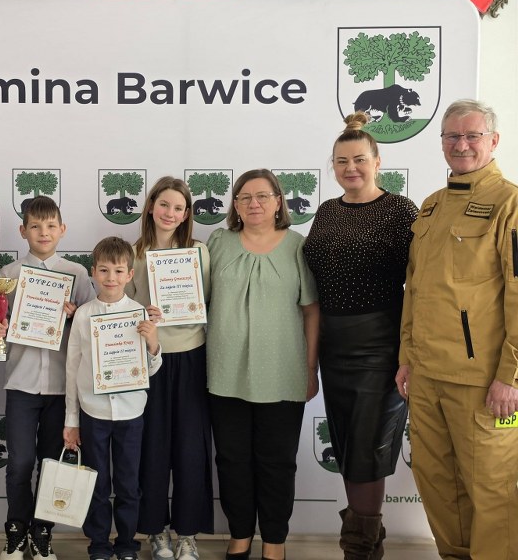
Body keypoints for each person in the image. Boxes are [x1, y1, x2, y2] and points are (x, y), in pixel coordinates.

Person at [396, 99, 518, 560]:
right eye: (451, 136)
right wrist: (407, 358)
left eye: (471, 135)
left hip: (483, 381)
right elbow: (415, 290)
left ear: (494, 141)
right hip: (427, 376)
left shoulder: (510, 204)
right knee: (438, 485)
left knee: (492, 489)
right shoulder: (431, 207)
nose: (461, 144)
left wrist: (512, 376)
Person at [303, 112, 417, 559]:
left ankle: (359, 549)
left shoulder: (401, 210)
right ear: (332, 166)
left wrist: (409, 353)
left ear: (377, 161)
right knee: (350, 450)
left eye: (359, 159)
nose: (350, 168)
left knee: (368, 451)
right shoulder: (327, 211)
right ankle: (366, 547)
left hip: (380, 348)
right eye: (341, 161)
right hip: (334, 348)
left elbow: (422, 283)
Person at [206, 169, 319, 560]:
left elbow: (311, 310)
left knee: (277, 463)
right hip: (225, 371)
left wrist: (310, 368)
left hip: (283, 371)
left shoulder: (298, 246)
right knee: (231, 460)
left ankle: (274, 541)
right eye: (245, 197)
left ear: (278, 202)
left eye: (263, 196)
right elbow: (193, 297)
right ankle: (239, 535)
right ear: (236, 205)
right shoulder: (217, 243)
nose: (254, 203)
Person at [0, 195, 96, 560]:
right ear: (23, 231)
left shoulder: (77, 274)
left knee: (51, 464)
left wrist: (76, 315)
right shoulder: (8, 275)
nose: (43, 232)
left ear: (62, 229)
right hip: (21, 383)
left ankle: (42, 532)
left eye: (51, 226)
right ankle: (16, 531)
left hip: (62, 388)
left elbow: (92, 328)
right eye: (35, 226)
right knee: (19, 463)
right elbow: (1, 321)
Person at [124, 177, 213, 560]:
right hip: (150, 360)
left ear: (187, 214)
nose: (169, 213)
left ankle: (187, 534)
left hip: (192, 355)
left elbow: (208, 300)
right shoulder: (133, 254)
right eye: (164, 204)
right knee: (153, 448)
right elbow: (123, 308)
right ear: (150, 207)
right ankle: (155, 530)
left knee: (191, 449)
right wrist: (143, 318)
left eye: (178, 207)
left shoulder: (199, 252)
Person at [63, 236, 162, 560]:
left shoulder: (140, 314)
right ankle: (99, 545)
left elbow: (151, 368)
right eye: (104, 270)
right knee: (97, 483)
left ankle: (127, 543)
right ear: (93, 272)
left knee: (128, 483)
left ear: (129, 274)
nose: (111, 278)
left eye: (118, 271)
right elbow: (72, 368)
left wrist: (153, 343)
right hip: (93, 413)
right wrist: (71, 420)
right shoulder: (83, 315)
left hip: (131, 413)